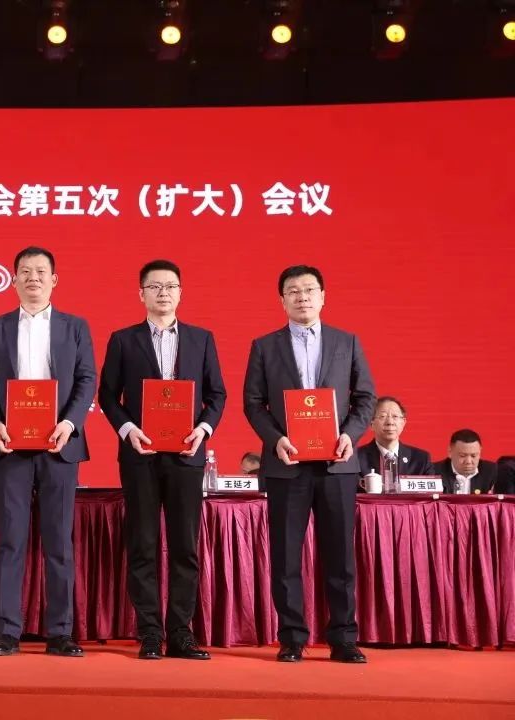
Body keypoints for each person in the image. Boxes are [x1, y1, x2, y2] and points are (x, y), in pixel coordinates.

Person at [243, 264, 375, 664]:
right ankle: (292, 637)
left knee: (340, 556)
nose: (302, 297)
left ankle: (343, 637)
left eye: (309, 290)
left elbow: (365, 398)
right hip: (287, 463)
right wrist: (276, 439)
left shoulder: (346, 342)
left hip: (337, 464)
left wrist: (350, 435)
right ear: (282, 300)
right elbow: (254, 403)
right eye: (293, 291)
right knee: (285, 556)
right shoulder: (264, 346)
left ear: (323, 296)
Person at [98, 259, 226, 661]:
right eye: (154, 287)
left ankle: (181, 633)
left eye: (170, 286)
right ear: (141, 294)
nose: (163, 293)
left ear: (181, 293)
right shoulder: (123, 340)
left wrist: (202, 429)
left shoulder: (201, 339)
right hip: (140, 456)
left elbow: (217, 395)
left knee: (186, 546)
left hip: (187, 455)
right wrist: (128, 430)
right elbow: (107, 395)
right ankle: (150, 633)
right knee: (143, 544)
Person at [0, 246, 96, 658]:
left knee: (58, 542)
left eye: (41, 271)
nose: (33, 278)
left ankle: (60, 632)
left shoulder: (74, 326)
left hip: (59, 445)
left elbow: (87, 379)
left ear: (54, 280)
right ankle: (7, 631)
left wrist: (70, 423)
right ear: (13, 280)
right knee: (11, 540)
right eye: (25, 271)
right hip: (10, 446)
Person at [356, 396, 433, 481]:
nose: (390, 422)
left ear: (403, 423)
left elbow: (432, 488)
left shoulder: (421, 459)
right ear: (371, 424)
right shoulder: (357, 458)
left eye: (395, 416)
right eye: (383, 416)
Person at [434, 429, 498, 494]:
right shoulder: (434, 472)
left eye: (473, 456)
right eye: (462, 456)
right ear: (450, 452)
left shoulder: (492, 471)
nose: (468, 461)